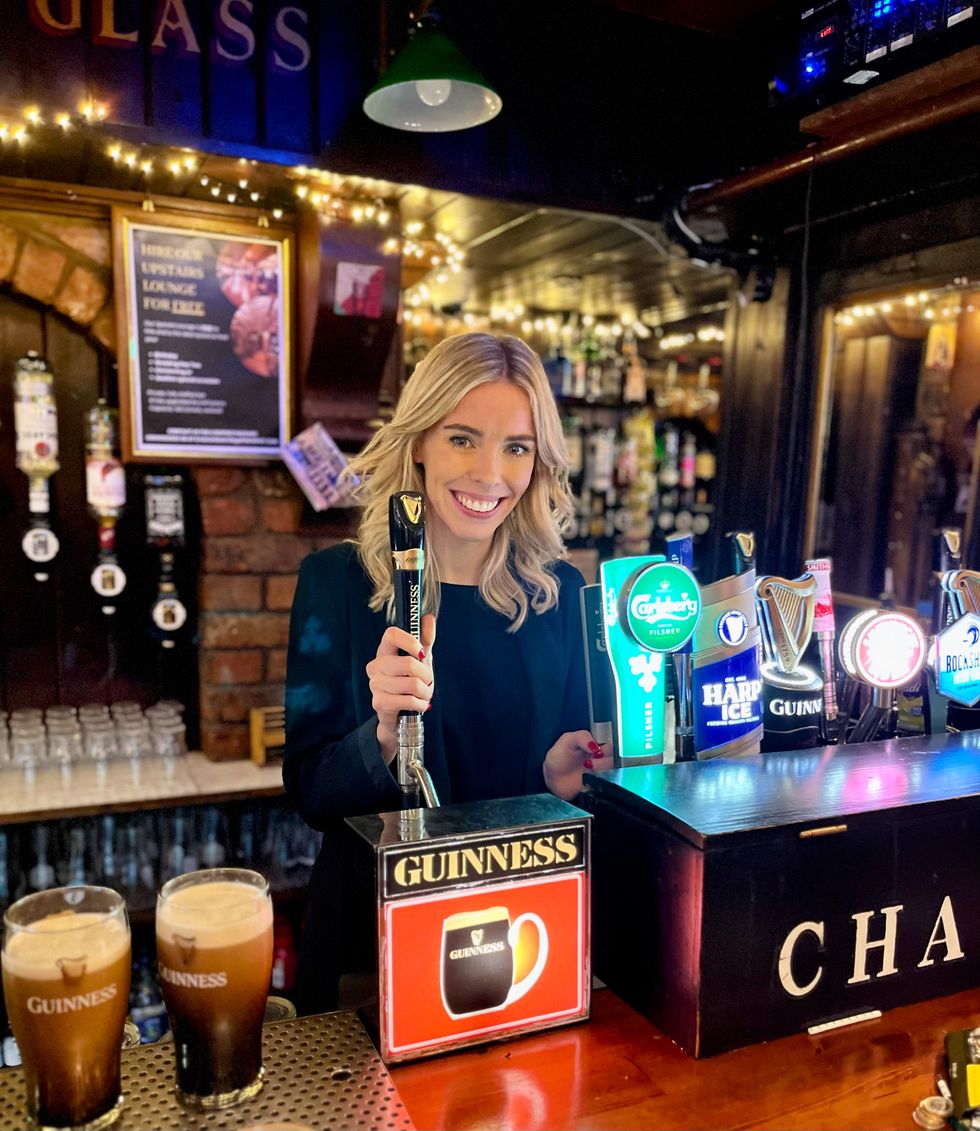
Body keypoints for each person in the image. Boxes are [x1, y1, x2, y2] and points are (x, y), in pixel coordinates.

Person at [283, 331, 613, 1013]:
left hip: (523, 937)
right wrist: (378, 734)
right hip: (370, 955)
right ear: (419, 442)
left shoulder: (556, 591)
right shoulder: (338, 582)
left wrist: (575, 774)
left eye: (516, 448)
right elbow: (310, 790)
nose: (491, 473)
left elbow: (578, 769)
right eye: (463, 438)